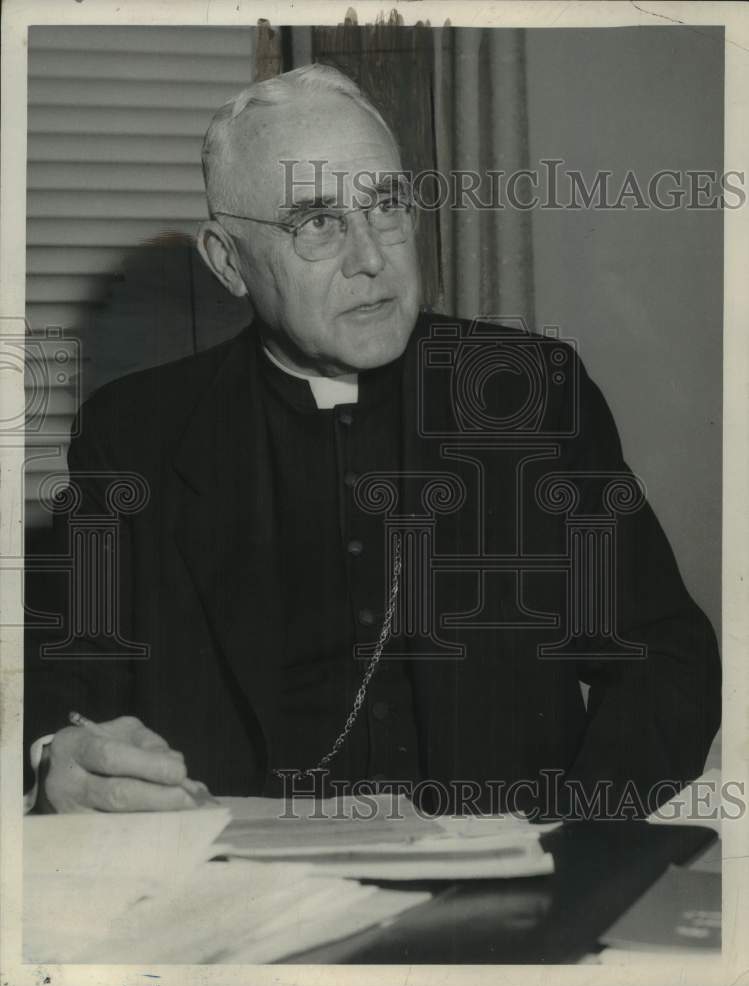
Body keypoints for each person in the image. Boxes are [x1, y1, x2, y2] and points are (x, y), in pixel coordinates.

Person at [24, 64, 720, 817]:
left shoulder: (529, 392)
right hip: (244, 889)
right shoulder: (136, 435)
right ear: (228, 262)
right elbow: (63, 680)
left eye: (384, 205)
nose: (370, 257)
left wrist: (576, 837)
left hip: (501, 887)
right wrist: (50, 759)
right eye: (316, 221)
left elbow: (665, 659)